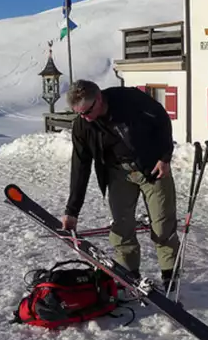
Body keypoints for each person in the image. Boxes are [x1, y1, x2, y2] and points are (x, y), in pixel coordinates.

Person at [62, 79, 180, 293]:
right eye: (78, 113)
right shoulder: (82, 125)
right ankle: (129, 273)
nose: (84, 118)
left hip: (152, 167)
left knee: (163, 226)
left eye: (87, 111)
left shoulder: (129, 100)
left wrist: (165, 157)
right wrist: (72, 210)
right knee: (121, 226)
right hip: (117, 172)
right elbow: (80, 166)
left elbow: (161, 119)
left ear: (98, 99)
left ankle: (170, 274)